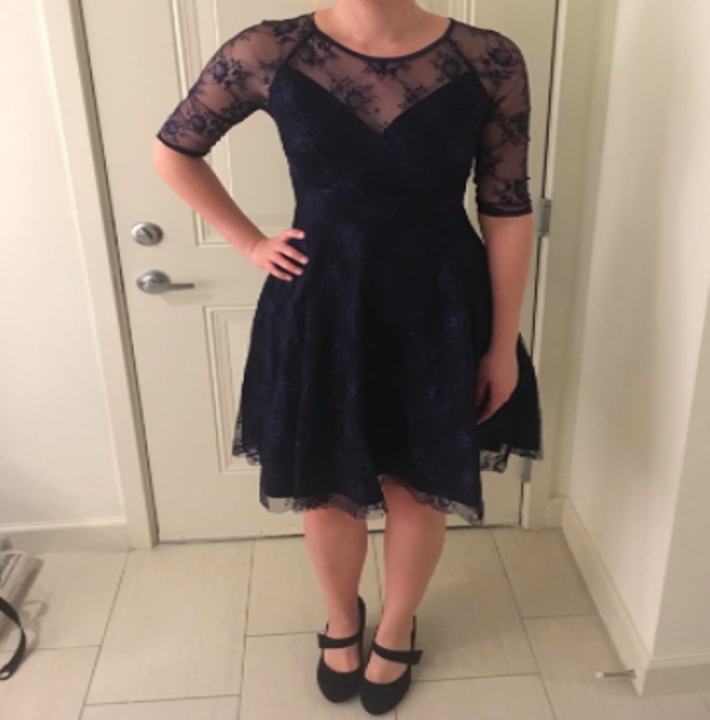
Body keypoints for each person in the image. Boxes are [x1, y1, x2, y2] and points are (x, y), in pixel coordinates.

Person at [154, 2, 543, 714]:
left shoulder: (489, 56)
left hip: (440, 305)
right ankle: (342, 617)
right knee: (328, 483)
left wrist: (502, 344)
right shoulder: (268, 49)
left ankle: (397, 627)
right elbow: (175, 151)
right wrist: (249, 243)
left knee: (419, 483)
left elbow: (507, 206)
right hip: (324, 304)